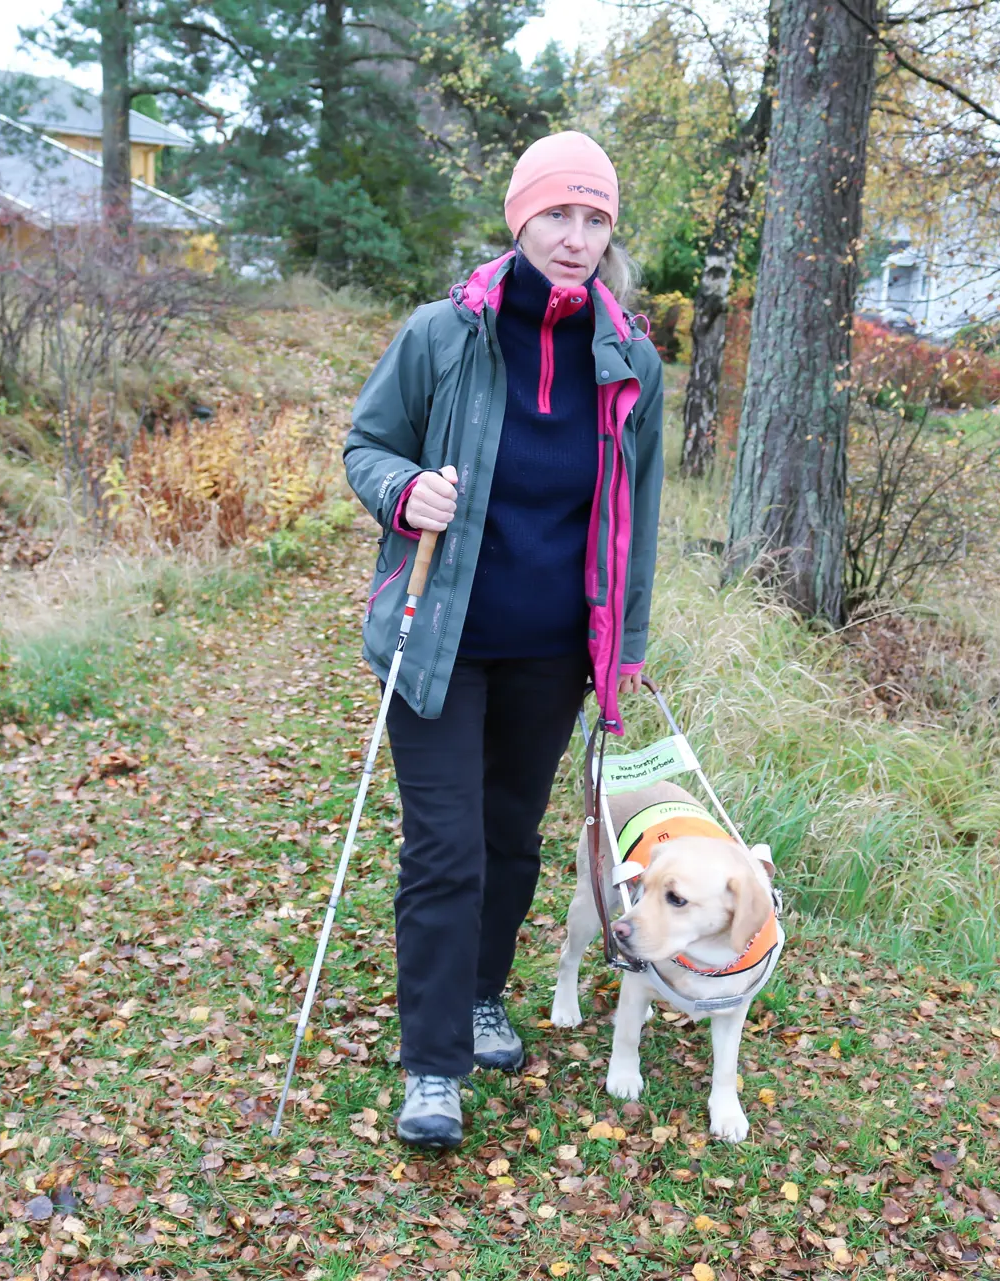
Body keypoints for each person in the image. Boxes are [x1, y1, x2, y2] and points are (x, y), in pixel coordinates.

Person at [343, 131, 664, 1149]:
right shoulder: (443, 335)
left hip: (550, 650)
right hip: (435, 635)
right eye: (557, 215)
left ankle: (483, 993)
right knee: (445, 849)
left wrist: (627, 645)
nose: (575, 238)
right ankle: (434, 1065)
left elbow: (637, 515)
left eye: (594, 219)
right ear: (520, 216)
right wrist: (406, 491)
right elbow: (367, 445)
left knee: (511, 838)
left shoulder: (629, 360)